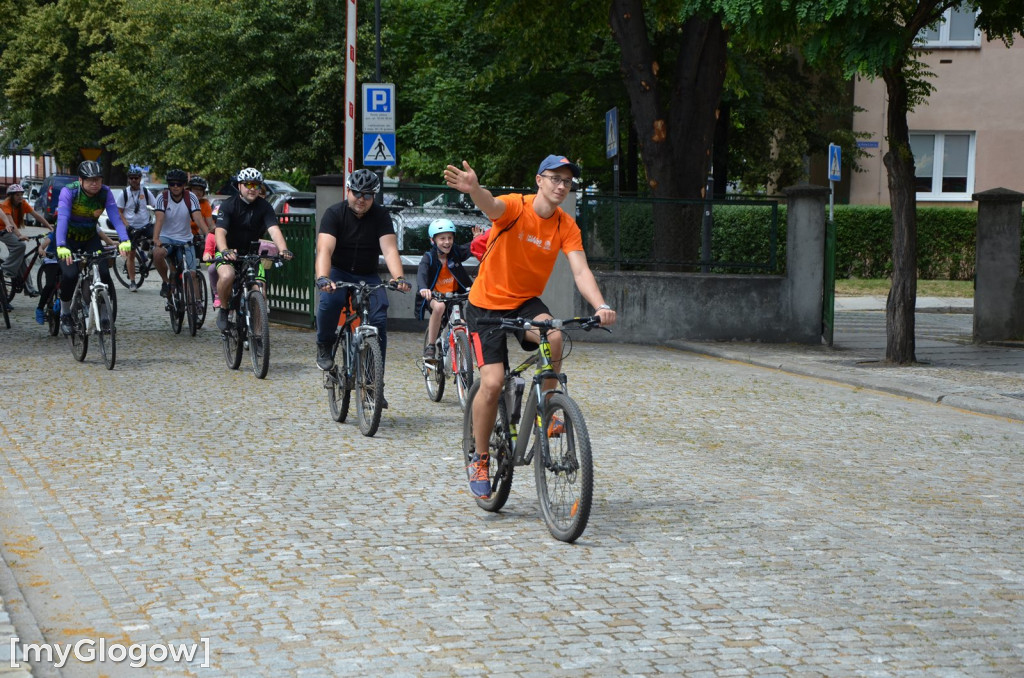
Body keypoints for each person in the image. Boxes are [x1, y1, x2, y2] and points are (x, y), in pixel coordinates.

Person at [443, 154, 617, 498]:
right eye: (555, 178)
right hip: (486, 305)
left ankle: (551, 406)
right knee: (492, 383)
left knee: (553, 334)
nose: (561, 186)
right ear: (539, 180)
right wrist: (474, 189)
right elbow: (491, 206)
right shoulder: (515, 207)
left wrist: (601, 305)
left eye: (567, 182)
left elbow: (580, 271)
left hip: (524, 302)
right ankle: (478, 457)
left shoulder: (565, 224)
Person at [313, 169, 411, 394]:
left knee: (379, 318)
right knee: (330, 301)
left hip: (367, 274)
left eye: (367, 195)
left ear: (374, 197)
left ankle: (374, 383)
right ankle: (324, 345)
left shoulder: (381, 216)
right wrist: (323, 277)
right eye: (357, 193)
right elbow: (324, 250)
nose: (361, 199)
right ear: (348, 191)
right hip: (337, 271)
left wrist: (399, 278)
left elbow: (389, 249)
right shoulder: (334, 214)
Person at [54, 161, 132, 335]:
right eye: (90, 180)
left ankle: (104, 316)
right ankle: (65, 313)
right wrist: (60, 245)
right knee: (70, 275)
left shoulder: (105, 193)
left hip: (90, 238)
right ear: (81, 180)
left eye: (97, 179)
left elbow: (115, 217)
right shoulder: (70, 192)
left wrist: (124, 239)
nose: (95, 183)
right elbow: (63, 218)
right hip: (68, 240)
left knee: (104, 272)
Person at [213, 167, 293, 330]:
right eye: (248, 184)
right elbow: (220, 231)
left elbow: (274, 230)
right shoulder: (228, 205)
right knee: (227, 276)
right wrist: (224, 250)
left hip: (252, 255)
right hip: (229, 253)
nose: (252, 188)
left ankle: (257, 335)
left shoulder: (264, 206)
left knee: (260, 292)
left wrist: (283, 249)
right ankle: (223, 309)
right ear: (239, 186)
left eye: (256, 185)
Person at [416, 218, 473, 360]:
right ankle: (431, 345)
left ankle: (464, 364)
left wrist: (477, 240)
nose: (447, 242)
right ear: (433, 240)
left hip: (454, 296)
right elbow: (421, 273)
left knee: (464, 325)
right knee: (440, 307)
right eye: (442, 238)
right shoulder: (429, 257)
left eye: (450, 238)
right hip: (435, 297)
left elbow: (470, 248)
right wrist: (424, 288)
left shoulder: (455, 253)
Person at [153, 169, 206, 301]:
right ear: (169, 185)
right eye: (172, 184)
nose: (175, 187)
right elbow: (159, 219)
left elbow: (198, 218)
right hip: (166, 237)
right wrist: (156, 239)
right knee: (157, 254)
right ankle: (166, 282)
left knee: (192, 274)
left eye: (179, 184)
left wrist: (208, 235)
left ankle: (197, 303)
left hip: (186, 239)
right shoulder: (162, 197)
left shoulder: (191, 197)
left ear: (184, 185)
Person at [1, 183, 51, 296]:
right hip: (3, 230)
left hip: (10, 230)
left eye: (21, 194)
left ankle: (29, 288)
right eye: (17, 195)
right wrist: (19, 236)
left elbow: (37, 216)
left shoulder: (22, 203)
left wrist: (50, 227)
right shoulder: (6, 204)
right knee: (20, 246)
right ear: (11, 196)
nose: (20, 197)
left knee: (22, 259)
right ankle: (5, 269)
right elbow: (10, 222)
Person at [117, 164, 156, 291]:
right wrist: (127, 226)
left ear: (140, 179)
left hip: (145, 225)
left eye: (136, 178)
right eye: (132, 178)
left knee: (159, 239)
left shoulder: (145, 192)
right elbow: (119, 212)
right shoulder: (124, 194)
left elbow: (156, 206)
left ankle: (149, 254)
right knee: (132, 254)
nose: (134, 180)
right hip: (131, 227)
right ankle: (133, 282)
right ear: (129, 179)